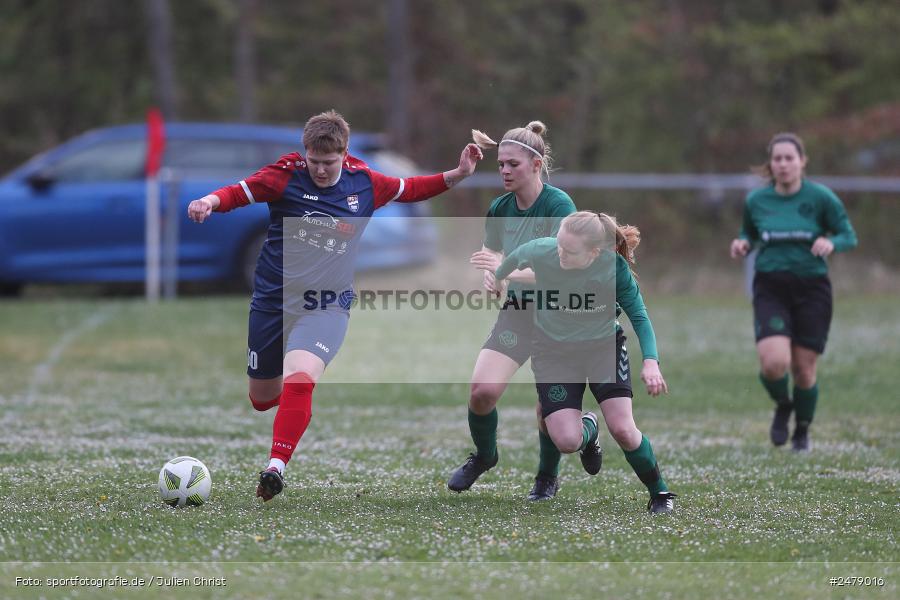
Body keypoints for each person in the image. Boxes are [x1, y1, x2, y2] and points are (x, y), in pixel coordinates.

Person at [187, 110, 483, 501]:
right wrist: (208, 201)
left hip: (327, 302)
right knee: (262, 399)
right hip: (273, 300)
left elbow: (410, 188)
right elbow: (239, 192)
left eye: (329, 163)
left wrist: (457, 174)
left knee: (302, 377)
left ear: (344, 154)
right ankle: (292, 406)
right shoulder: (285, 174)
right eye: (315, 162)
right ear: (304, 153)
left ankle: (276, 467)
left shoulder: (364, 181)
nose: (321, 171)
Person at [491, 211, 676, 513]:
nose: (560, 253)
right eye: (559, 245)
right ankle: (589, 428)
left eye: (569, 250)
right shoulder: (544, 250)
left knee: (623, 430)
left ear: (594, 252)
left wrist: (651, 362)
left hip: (603, 349)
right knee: (566, 440)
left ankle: (661, 494)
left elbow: (639, 316)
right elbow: (512, 259)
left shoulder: (613, 269)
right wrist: (498, 277)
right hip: (554, 353)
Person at [446, 121, 577, 501]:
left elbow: (562, 271)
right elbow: (495, 263)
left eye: (513, 164)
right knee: (481, 392)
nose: (504, 170)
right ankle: (485, 456)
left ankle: (546, 477)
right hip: (518, 312)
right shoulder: (499, 208)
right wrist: (493, 279)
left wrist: (504, 269)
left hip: (558, 316)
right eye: (501, 164)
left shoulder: (558, 205)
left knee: (546, 407)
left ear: (536, 165)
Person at [730, 132, 857, 451]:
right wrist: (743, 243)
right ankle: (783, 404)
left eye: (790, 158)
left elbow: (848, 235)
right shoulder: (757, 201)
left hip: (812, 289)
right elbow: (749, 233)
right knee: (773, 363)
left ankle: (801, 429)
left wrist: (832, 242)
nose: (784, 164)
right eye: (778, 158)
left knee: (803, 368)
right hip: (771, 286)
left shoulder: (821, 198)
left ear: (802, 162)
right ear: (771, 164)